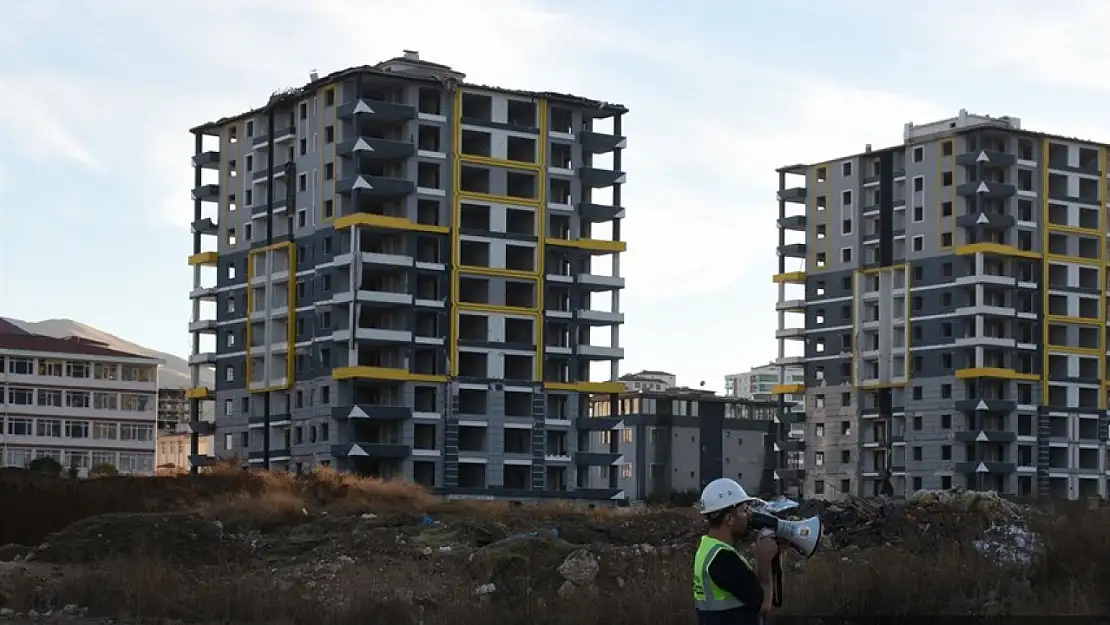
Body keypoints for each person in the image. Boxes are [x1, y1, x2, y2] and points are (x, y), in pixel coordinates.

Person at [693, 478, 779, 625]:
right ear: (729, 519)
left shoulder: (708, 549)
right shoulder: (723, 560)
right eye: (744, 511)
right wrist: (764, 559)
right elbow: (763, 605)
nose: (749, 516)